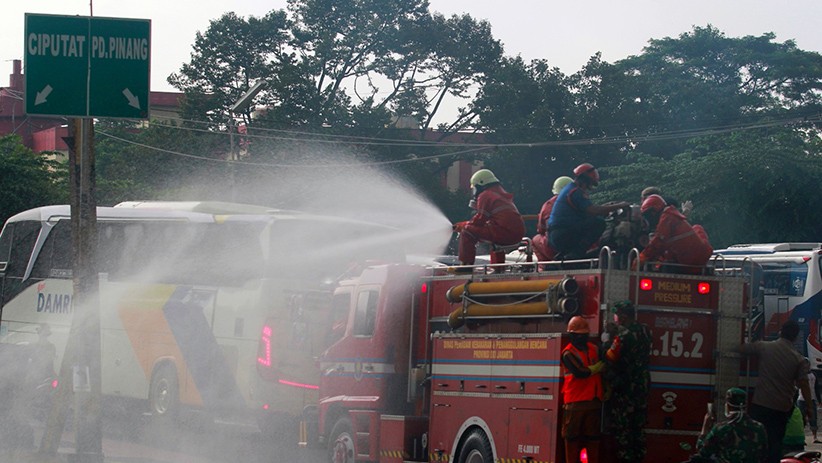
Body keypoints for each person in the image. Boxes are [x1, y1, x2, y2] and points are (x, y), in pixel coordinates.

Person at [736, 319, 814, 463]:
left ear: (780, 332)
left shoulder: (765, 347)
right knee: (774, 446)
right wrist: (809, 408)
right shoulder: (799, 359)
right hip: (781, 409)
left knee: (754, 442)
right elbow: (804, 384)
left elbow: (743, 349)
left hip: (761, 405)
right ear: (795, 336)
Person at [604, 300, 652, 463]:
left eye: (616, 315)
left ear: (623, 317)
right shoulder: (646, 330)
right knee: (638, 429)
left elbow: (610, 357)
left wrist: (608, 340)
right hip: (642, 387)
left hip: (626, 389)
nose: (615, 318)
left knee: (623, 430)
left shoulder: (622, 336)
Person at [548, 163, 630, 259]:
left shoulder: (570, 189)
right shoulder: (575, 192)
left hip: (557, 235)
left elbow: (588, 210)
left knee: (595, 220)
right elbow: (593, 210)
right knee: (599, 223)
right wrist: (619, 205)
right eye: (591, 183)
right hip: (563, 235)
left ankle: (567, 255)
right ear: (586, 180)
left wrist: (607, 206)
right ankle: (577, 254)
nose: (591, 187)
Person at [453, 169, 525, 266]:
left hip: (505, 233)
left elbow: (479, 220)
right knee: (470, 227)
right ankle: (497, 267)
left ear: (480, 185)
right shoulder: (499, 194)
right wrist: (465, 224)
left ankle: (466, 266)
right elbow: (488, 222)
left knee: (467, 231)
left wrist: (463, 226)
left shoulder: (485, 195)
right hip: (515, 234)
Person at [561, 316, 606, 463]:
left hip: (593, 401)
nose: (582, 337)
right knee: (572, 438)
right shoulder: (568, 353)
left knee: (593, 437)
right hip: (575, 402)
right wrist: (597, 368)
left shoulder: (594, 349)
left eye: (584, 334)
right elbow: (580, 373)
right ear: (572, 335)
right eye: (579, 334)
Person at [683, 387, 767, 463]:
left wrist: (705, 426)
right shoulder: (759, 427)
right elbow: (764, 454)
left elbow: (702, 452)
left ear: (728, 406)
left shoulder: (721, 428)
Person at [638, 194, 713, 271]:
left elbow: (657, 243)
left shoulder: (667, 218)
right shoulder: (673, 216)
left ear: (654, 212)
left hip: (688, 261)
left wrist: (639, 261)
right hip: (699, 258)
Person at [532, 176, 573, 261]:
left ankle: (546, 267)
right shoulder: (579, 202)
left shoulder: (549, 205)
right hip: (581, 244)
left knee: (535, 239)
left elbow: (541, 229)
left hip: (555, 246)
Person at [797, 359, 819, 443]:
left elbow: (816, 388)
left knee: (813, 418)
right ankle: (802, 438)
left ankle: (815, 437)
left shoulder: (814, 375)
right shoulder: (800, 375)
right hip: (801, 400)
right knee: (801, 420)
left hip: (812, 399)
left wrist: (819, 400)